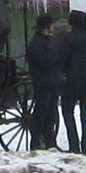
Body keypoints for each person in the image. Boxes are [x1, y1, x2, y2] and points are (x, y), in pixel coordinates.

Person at [59, 9, 86, 155]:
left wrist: (62, 71)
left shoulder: (70, 39)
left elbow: (63, 59)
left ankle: (74, 145)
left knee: (67, 110)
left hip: (72, 79)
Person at [25, 12, 60, 150]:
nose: (53, 27)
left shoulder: (46, 41)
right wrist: (56, 56)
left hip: (51, 82)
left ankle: (50, 141)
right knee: (41, 113)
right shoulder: (36, 43)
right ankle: (36, 142)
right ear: (46, 26)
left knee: (51, 112)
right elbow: (43, 61)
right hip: (42, 83)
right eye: (52, 24)